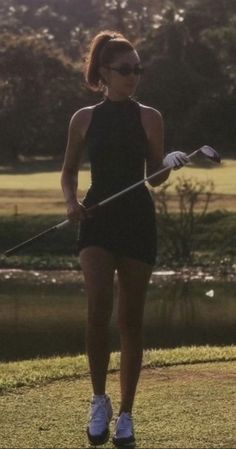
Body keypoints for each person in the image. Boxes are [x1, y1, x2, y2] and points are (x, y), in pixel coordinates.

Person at [61, 30, 188, 448]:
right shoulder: (84, 118)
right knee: (98, 306)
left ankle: (127, 415)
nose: (133, 76)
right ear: (104, 72)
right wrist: (70, 201)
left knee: (130, 321)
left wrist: (168, 162)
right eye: (125, 70)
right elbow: (68, 171)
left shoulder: (150, 116)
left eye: (137, 69)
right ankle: (99, 400)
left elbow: (154, 178)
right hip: (97, 217)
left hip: (136, 219)